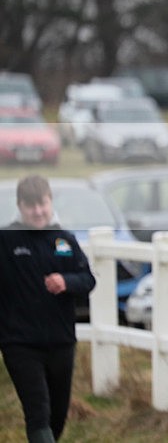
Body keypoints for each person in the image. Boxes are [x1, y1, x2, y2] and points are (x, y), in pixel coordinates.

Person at [0, 175, 96, 443]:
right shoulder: (6, 240)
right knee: (38, 412)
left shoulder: (64, 240)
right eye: (31, 206)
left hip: (61, 341)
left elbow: (88, 279)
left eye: (42, 204)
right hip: (19, 343)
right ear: (20, 206)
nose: (38, 211)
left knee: (56, 416)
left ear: (50, 202)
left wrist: (67, 281)